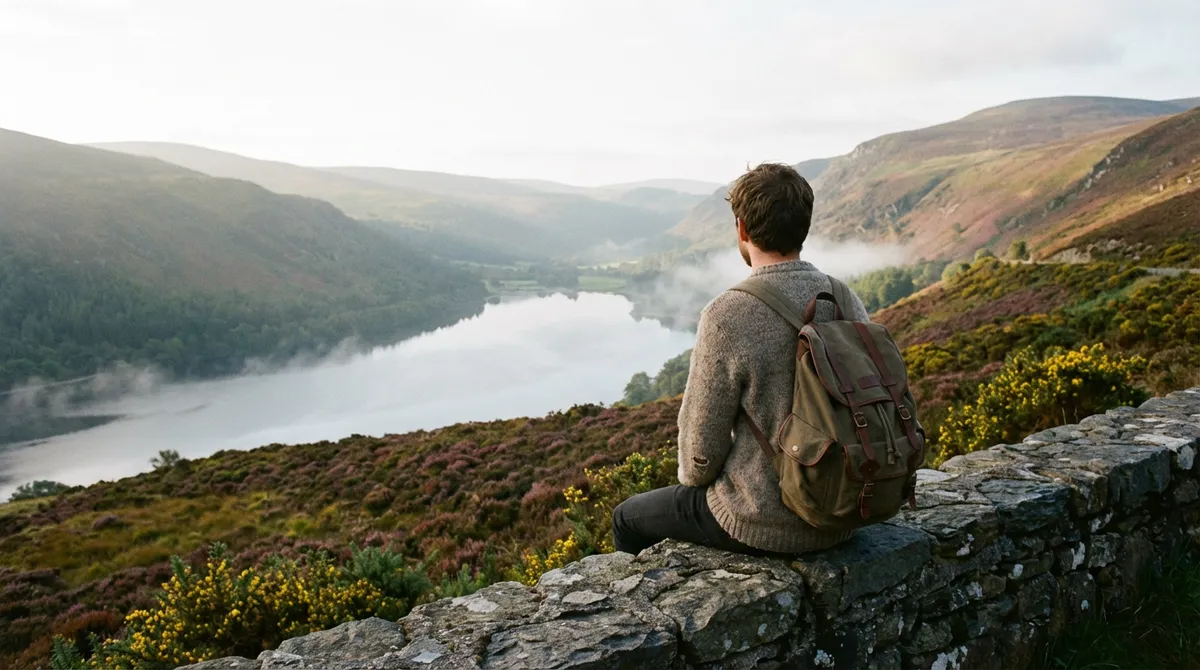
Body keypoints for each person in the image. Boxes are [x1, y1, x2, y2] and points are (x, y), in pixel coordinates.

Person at [611, 163, 871, 557]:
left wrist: (697, 477)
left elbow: (700, 456)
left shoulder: (727, 314)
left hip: (761, 520)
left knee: (626, 518)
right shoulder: (844, 296)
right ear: (804, 227)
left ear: (743, 230)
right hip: (847, 511)